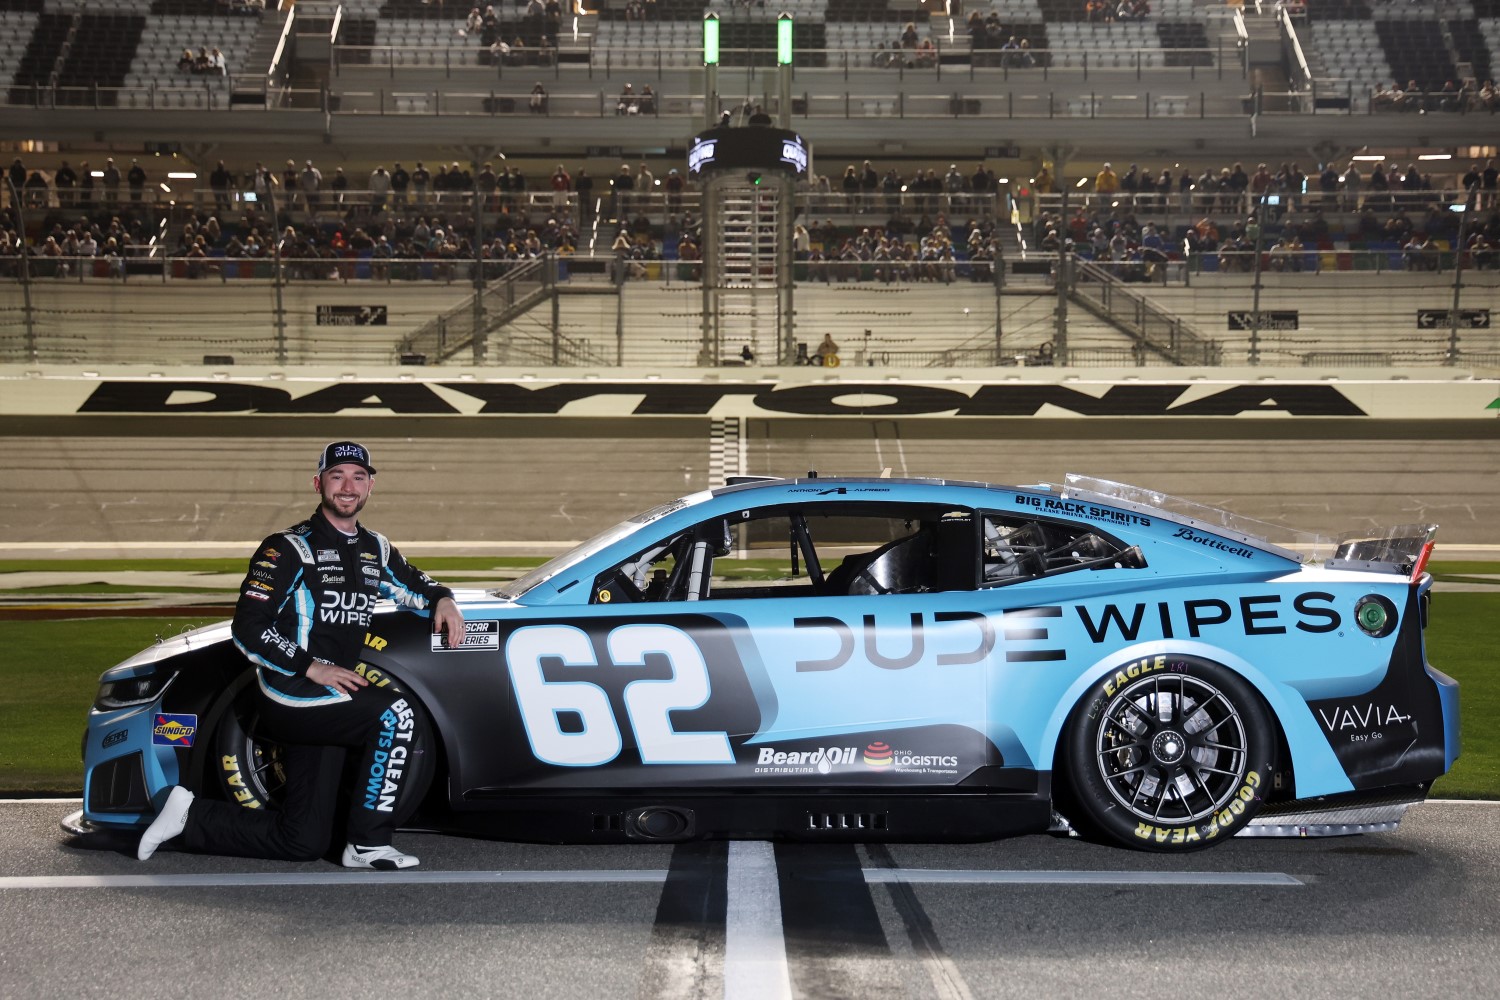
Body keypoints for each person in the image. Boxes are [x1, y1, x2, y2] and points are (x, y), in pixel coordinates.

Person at [136, 442, 465, 870]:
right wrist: (312, 666)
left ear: (370, 486)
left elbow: (417, 586)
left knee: (303, 840)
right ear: (318, 483)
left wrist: (444, 599)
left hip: (330, 699)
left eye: (358, 477)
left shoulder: (376, 549)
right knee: (397, 715)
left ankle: (187, 816)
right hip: (289, 691)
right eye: (337, 476)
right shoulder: (287, 548)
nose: (348, 487)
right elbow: (248, 627)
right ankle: (367, 844)